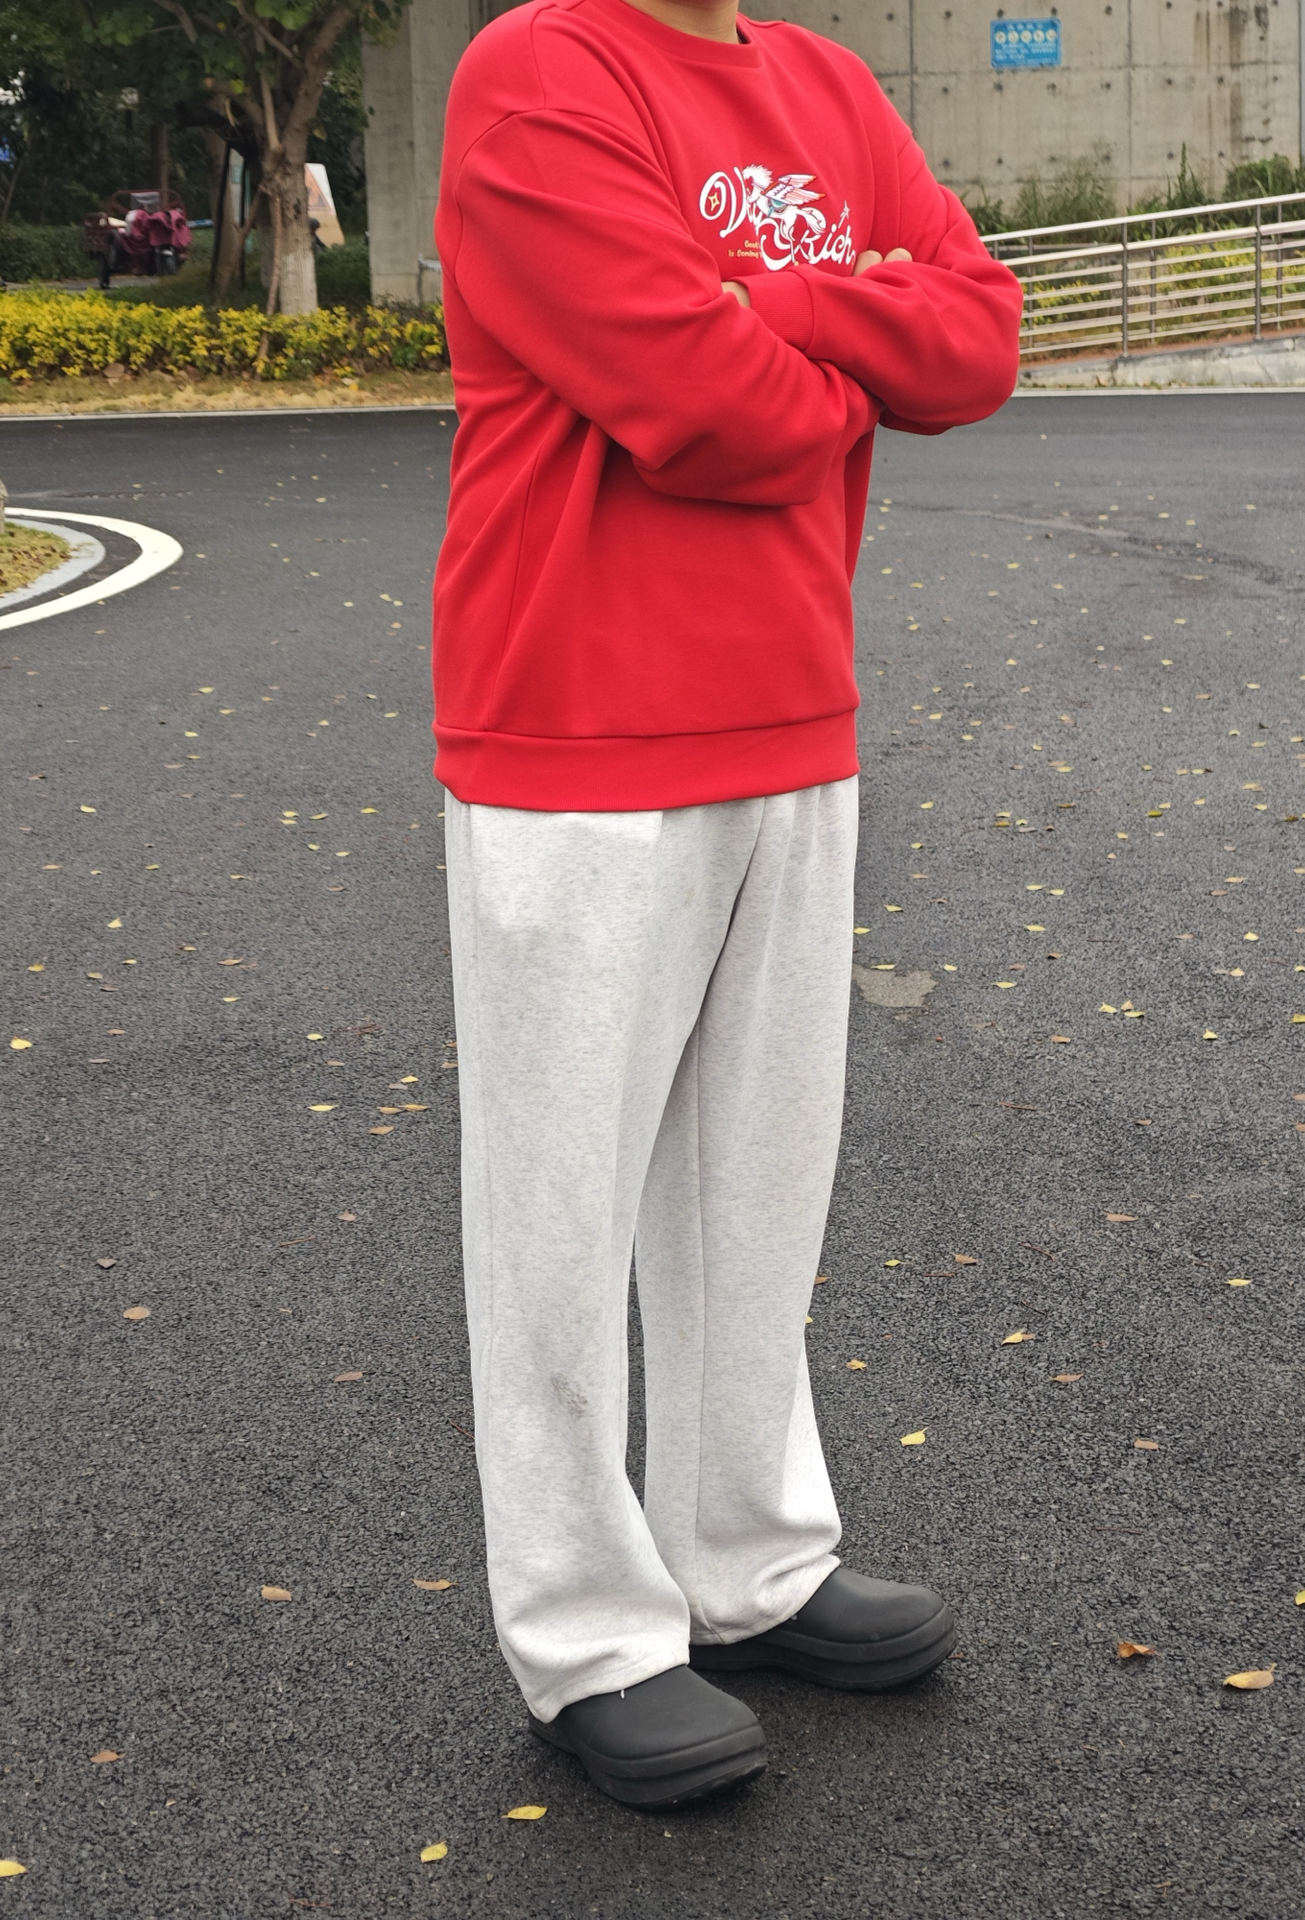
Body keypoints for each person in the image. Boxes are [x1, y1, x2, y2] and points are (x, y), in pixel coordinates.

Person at [432, 0, 1021, 1810]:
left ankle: (746, 1560)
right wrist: (850, 329)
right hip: (573, 726)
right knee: (560, 1212)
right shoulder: (543, 74)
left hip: (792, 709)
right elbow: (712, 410)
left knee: (759, 1183)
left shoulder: (827, 82)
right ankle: (587, 1633)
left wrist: (780, 298)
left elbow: (980, 339)